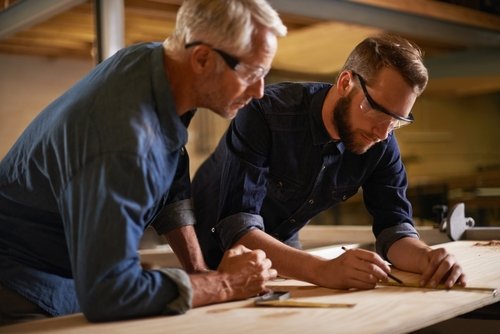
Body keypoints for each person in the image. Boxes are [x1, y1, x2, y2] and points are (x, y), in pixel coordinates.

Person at [0, 0, 287, 326]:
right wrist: (225, 284)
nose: (260, 91)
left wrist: (197, 272)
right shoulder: (124, 142)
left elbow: (172, 174)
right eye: (252, 73)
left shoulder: (156, 65)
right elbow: (109, 293)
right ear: (203, 58)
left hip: (71, 272)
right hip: (19, 282)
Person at [192, 34, 467, 291]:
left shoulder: (380, 141)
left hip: (281, 247)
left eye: (397, 120)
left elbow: (393, 229)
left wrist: (428, 259)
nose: (383, 133)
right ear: (346, 83)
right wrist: (323, 271)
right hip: (203, 248)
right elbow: (237, 227)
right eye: (378, 111)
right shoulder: (265, 114)